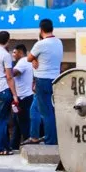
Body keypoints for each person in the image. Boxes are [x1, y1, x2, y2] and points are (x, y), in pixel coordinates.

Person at [27, 18, 62, 146]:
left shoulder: (40, 44)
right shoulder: (59, 42)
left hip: (42, 80)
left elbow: (29, 58)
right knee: (43, 110)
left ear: (41, 30)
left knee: (46, 113)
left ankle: (50, 141)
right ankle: (35, 136)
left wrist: (34, 59)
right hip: (55, 80)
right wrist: (36, 59)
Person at [11, 44, 35, 150]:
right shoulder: (27, 62)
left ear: (20, 52)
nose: (13, 55)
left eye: (15, 52)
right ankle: (14, 145)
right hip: (24, 96)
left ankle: (28, 146)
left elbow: (13, 73)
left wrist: (4, 69)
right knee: (17, 123)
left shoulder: (23, 62)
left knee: (23, 123)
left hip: (23, 98)